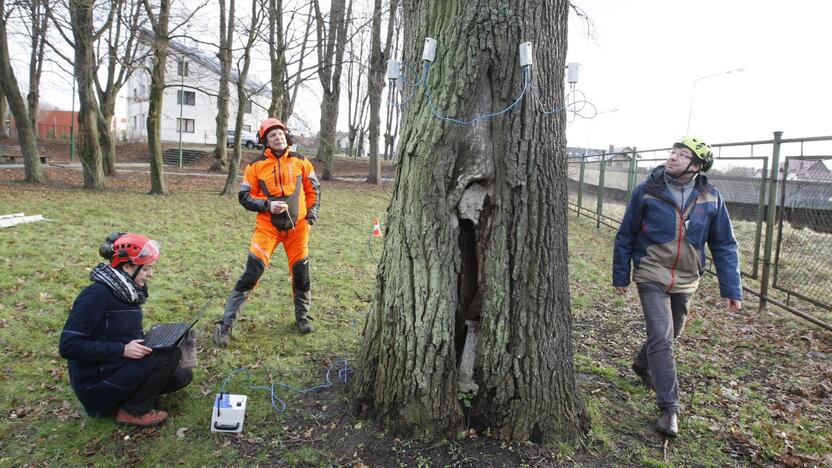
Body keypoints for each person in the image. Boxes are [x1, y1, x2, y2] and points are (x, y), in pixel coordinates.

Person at [612, 137, 742, 438]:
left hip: (687, 278)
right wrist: (621, 276)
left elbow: (724, 244)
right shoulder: (647, 190)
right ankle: (669, 408)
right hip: (651, 273)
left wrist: (731, 288)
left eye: (682, 155)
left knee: (672, 334)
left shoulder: (711, 197)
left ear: (696, 166)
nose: (672, 158)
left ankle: (642, 363)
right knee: (662, 335)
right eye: (673, 152)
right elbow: (626, 235)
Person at [59, 233, 192, 426]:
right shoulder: (95, 296)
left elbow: (119, 332)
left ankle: (128, 399)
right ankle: (132, 412)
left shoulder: (126, 292)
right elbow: (69, 346)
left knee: (182, 376)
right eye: (146, 269)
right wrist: (122, 349)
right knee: (168, 355)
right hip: (97, 384)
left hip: (116, 367)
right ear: (127, 266)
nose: (151, 274)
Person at [214, 117, 320, 346]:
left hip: (297, 228)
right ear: (265, 141)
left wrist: (310, 217)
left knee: (301, 274)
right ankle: (225, 325)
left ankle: (303, 318)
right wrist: (268, 206)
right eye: (272, 135)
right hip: (267, 227)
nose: (278, 137)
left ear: (287, 136)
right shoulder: (255, 166)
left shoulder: (302, 161)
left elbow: (314, 191)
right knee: (251, 273)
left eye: (280, 134)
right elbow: (244, 197)